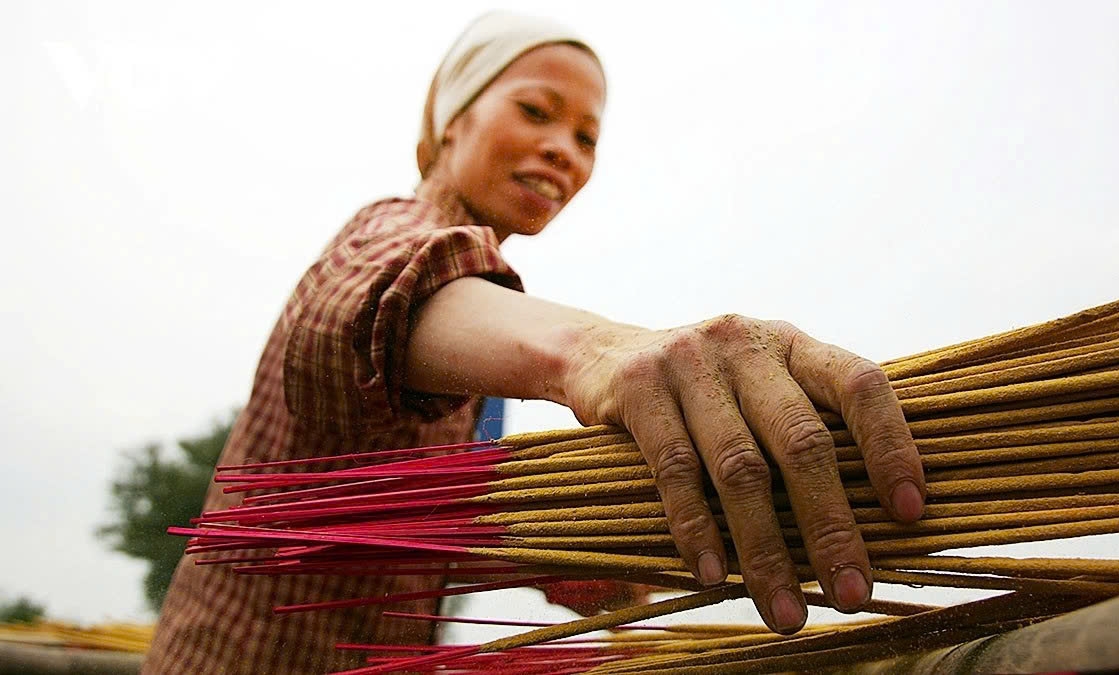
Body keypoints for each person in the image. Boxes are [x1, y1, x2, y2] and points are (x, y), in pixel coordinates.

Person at [143, 10, 926, 674]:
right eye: (537, 111)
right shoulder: (387, 235)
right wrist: (596, 355)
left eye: (586, 136)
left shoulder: (476, 344)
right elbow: (377, 292)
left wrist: (561, 566)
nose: (565, 150)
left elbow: (392, 527)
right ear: (453, 121)